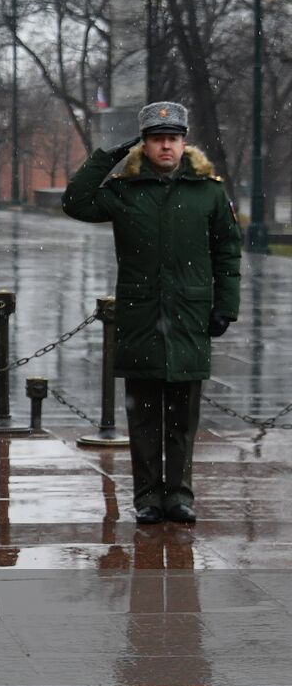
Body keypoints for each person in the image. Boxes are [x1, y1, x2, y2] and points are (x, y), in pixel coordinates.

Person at [61, 102, 241, 524]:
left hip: (189, 317)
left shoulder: (208, 192)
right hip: (141, 317)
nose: (166, 146)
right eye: (158, 139)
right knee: (142, 419)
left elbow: (227, 253)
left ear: (183, 143)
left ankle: (178, 496)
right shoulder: (125, 191)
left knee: (182, 417)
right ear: (144, 144)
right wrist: (106, 157)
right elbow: (75, 202)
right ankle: (146, 498)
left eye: (173, 139)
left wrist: (225, 307)